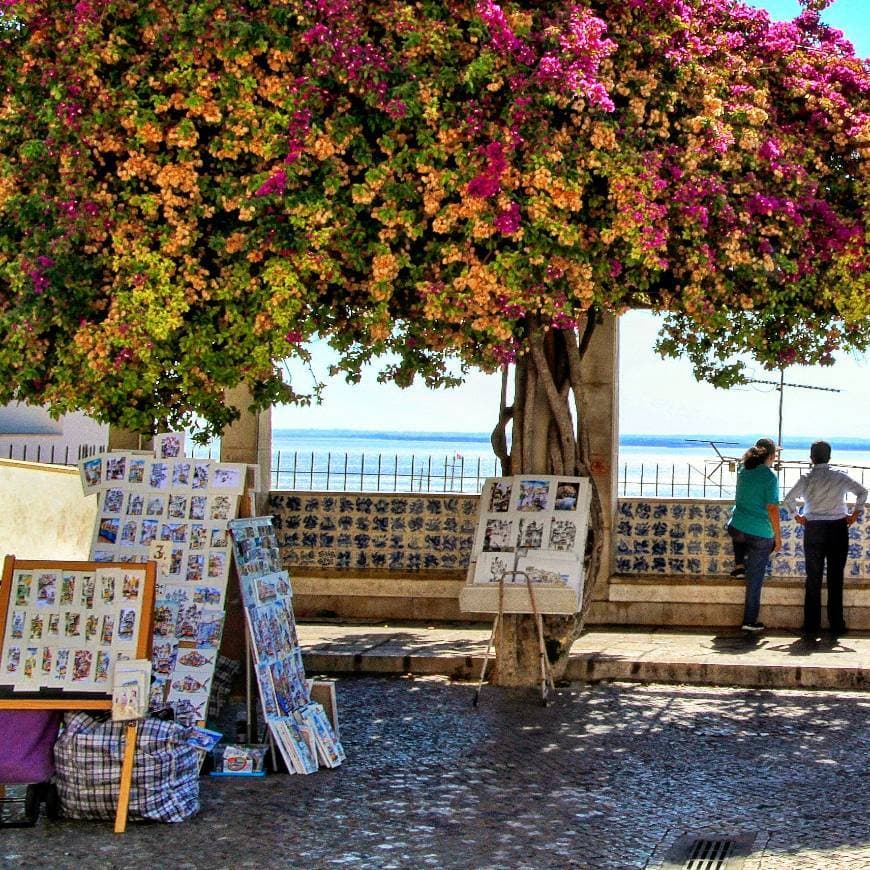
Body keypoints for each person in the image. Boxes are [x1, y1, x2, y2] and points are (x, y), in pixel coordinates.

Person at [783, 441, 867, 639]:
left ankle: (811, 624)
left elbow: (788, 498)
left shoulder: (806, 478)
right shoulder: (839, 476)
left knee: (813, 577)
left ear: (811, 458)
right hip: (838, 527)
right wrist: (855, 514)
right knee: (835, 577)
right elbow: (863, 492)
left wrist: (797, 515)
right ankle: (836, 624)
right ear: (829, 457)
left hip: (813, 527)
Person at [727, 438, 781, 632]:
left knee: (739, 530)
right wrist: (777, 537)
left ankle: (739, 564)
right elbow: (772, 509)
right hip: (760, 534)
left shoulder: (743, 470)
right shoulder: (770, 477)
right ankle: (750, 621)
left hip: (736, 529)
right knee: (755, 579)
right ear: (771, 456)